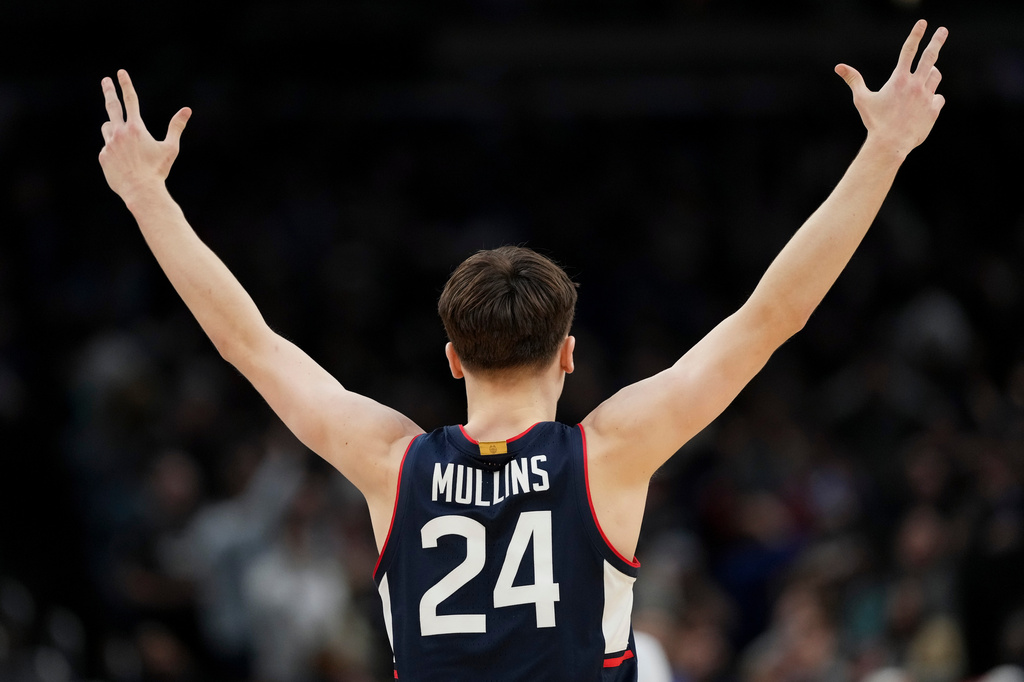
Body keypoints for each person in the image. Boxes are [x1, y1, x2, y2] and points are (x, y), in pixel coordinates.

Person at [97, 20, 948, 681]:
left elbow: (248, 343)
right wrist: (885, 150)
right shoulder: (609, 454)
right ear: (570, 354)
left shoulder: (393, 466)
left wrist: (146, 198)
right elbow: (773, 316)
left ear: (453, 359)